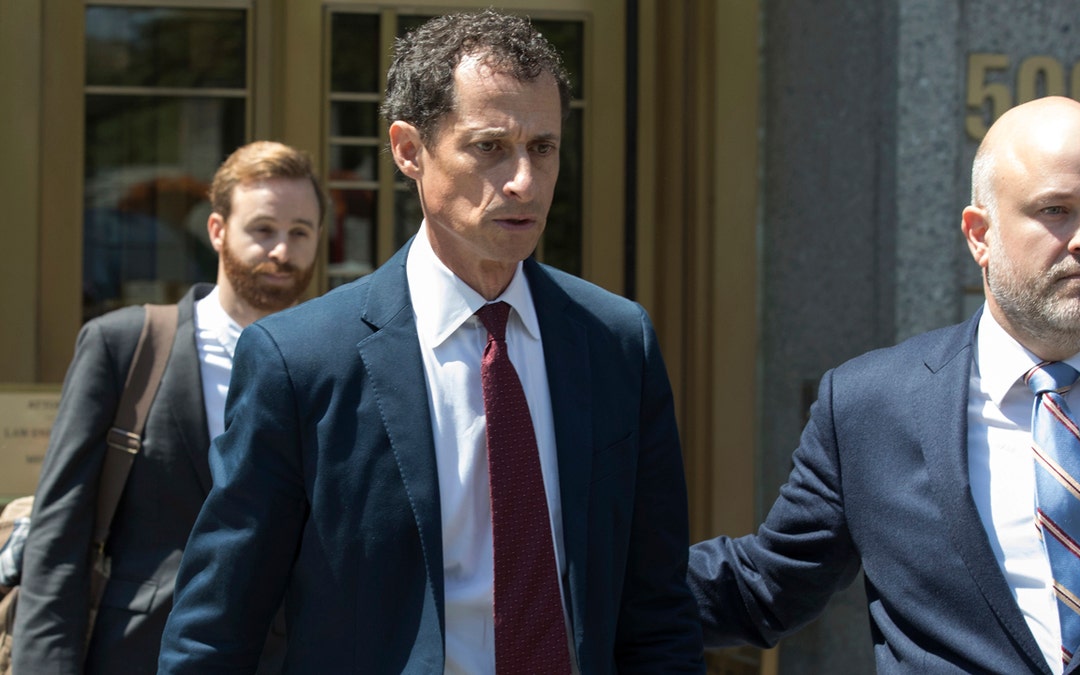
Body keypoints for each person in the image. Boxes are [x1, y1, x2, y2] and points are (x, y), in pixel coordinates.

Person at [158, 10, 703, 674]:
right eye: (490, 146)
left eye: (543, 147)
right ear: (409, 150)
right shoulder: (301, 361)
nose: (523, 181)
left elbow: (658, 609)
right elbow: (217, 626)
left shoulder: (617, 343)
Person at [689, 95, 1080, 673]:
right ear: (979, 234)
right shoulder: (868, 408)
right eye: (1055, 210)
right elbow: (765, 586)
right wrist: (578, 567)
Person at [13, 141, 324, 674]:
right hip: (136, 651)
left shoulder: (328, 361)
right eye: (263, 229)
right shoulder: (126, 345)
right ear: (217, 231)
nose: (282, 251)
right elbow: (58, 531)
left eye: (300, 232)